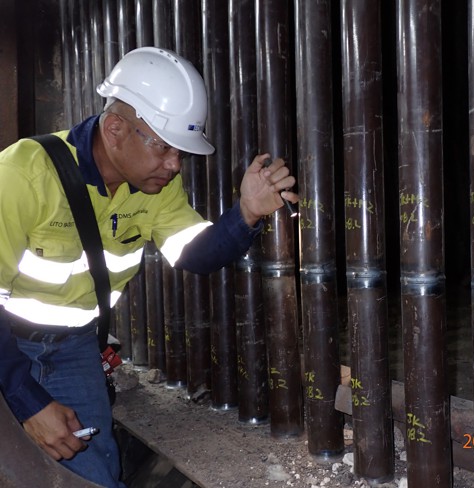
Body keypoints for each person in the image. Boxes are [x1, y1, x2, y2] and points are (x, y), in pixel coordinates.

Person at [0, 47, 298, 487]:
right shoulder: (23, 174)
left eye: (180, 152)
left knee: (98, 476)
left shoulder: (156, 188)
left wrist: (247, 212)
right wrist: (27, 400)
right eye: (164, 147)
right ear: (115, 128)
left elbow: (195, 254)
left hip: (74, 350)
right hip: (8, 346)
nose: (174, 165)